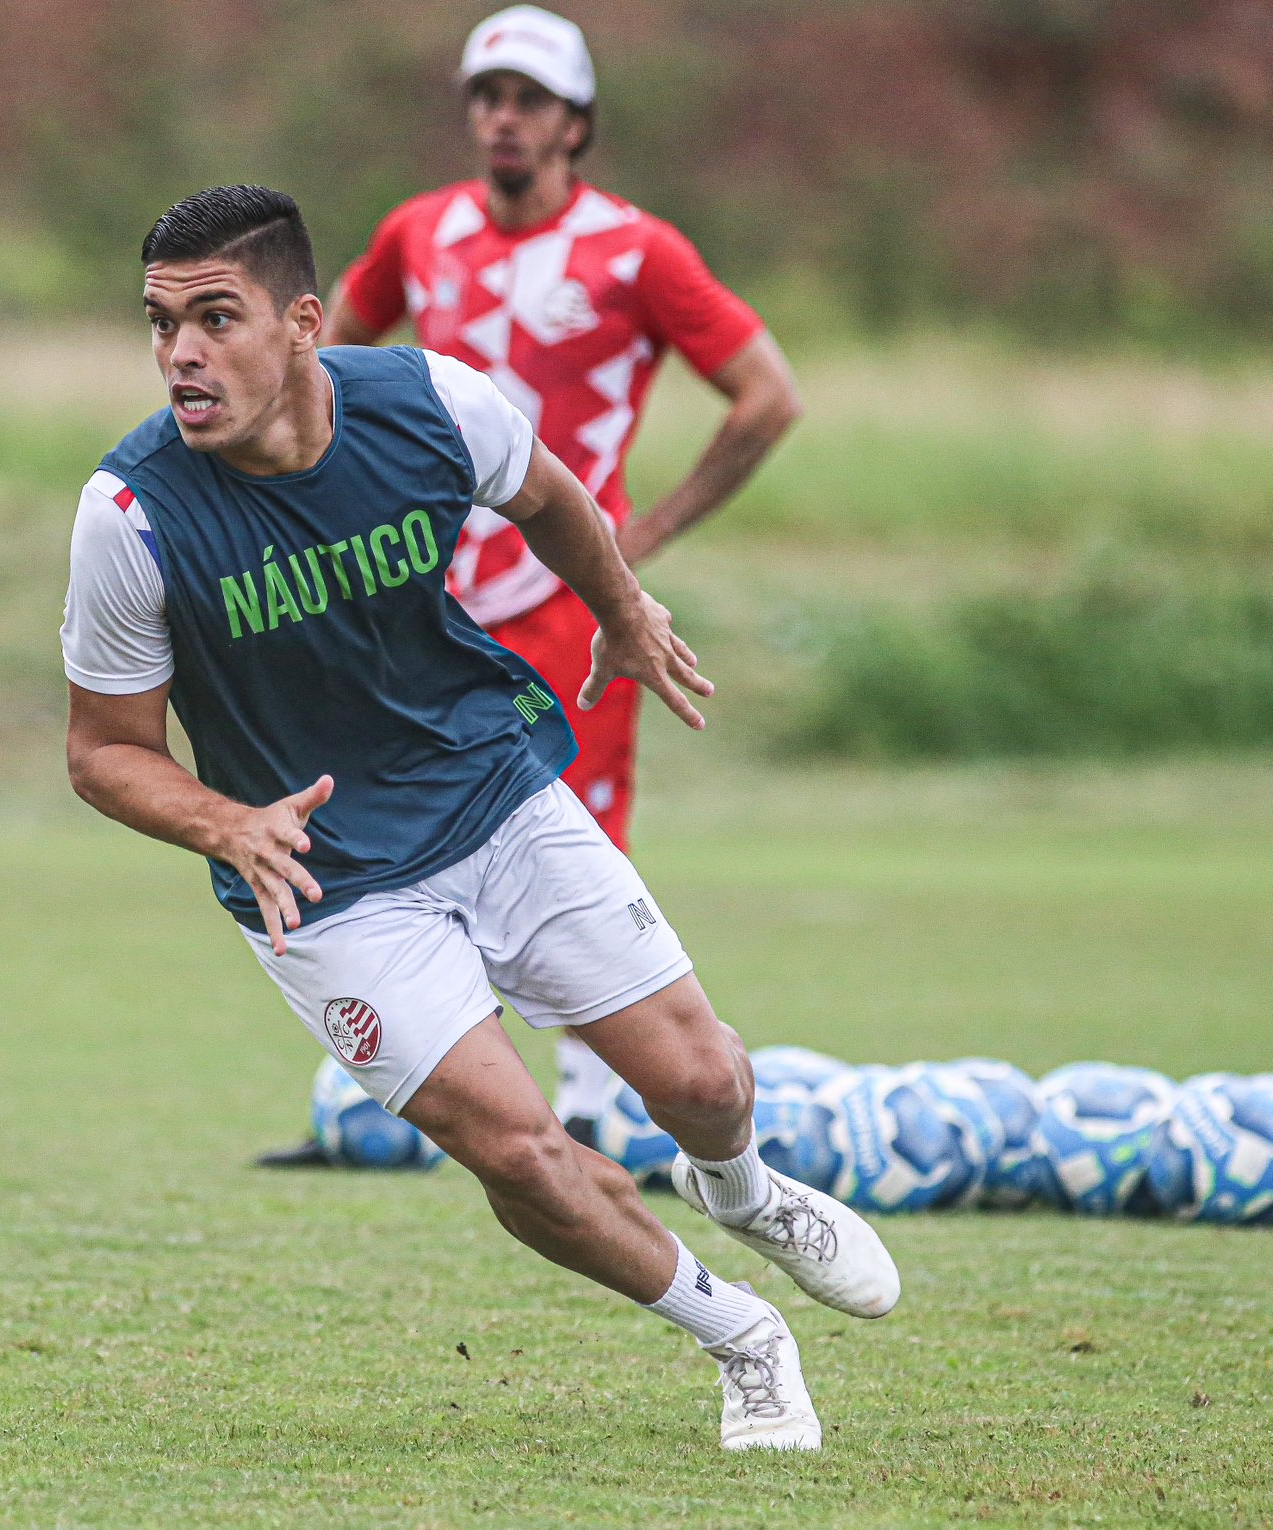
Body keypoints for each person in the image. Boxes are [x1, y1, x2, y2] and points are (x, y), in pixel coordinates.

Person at [62, 184, 897, 1450]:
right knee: (516, 1152)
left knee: (705, 1078)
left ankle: (740, 1189)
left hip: (491, 794)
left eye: (213, 318)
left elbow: (553, 498)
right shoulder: (131, 515)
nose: (180, 353)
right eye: (160, 323)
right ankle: (743, 1338)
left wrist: (621, 610)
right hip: (327, 883)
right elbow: (101, 751)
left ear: (299, 322)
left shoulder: (428, 404)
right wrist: (220, 821)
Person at [280, 5, 802, 1148]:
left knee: (572, 826)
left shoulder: (637, 251)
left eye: (527, 100)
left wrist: (637, 542)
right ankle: (433, 1064)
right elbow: (313, 371)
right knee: (390, 805)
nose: (501, 119)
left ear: (576, 122)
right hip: (421, 594)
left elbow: (768, 396)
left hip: (566, 600)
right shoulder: (420, 232)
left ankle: (586, 1098)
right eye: (485, 97)